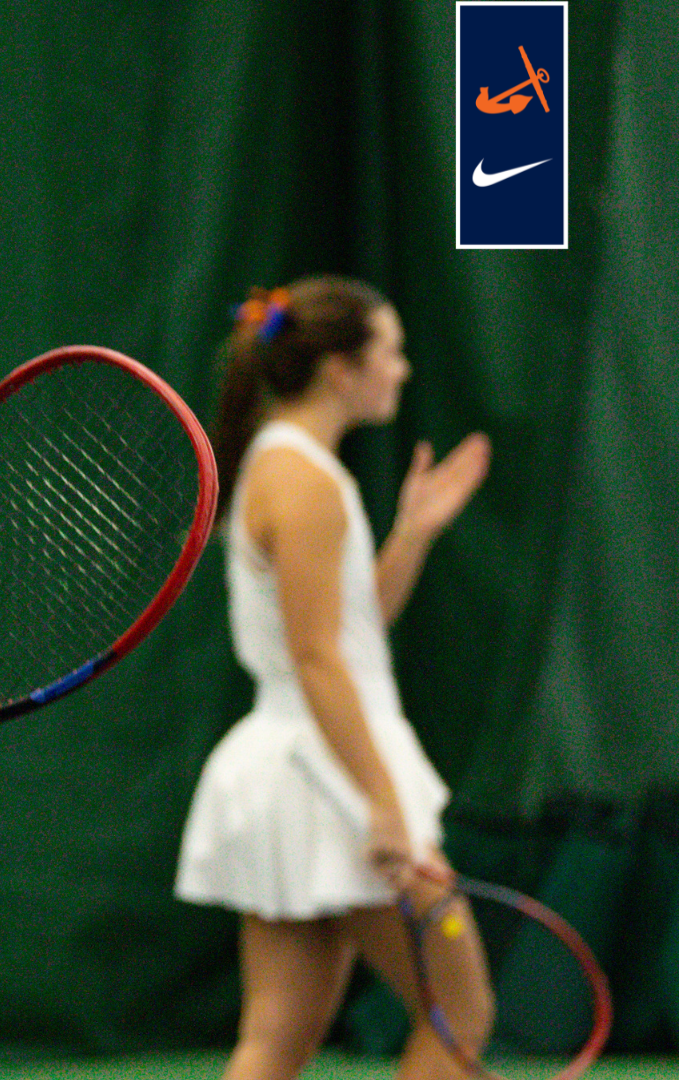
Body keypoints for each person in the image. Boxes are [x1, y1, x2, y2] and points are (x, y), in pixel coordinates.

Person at [175, 276, 496, 1080]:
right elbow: (318, 660)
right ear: (339, 370)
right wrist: (383, 805)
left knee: (277, 1039)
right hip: (332, 778)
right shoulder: (305, 480)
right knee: (461, 1013)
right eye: (390, 350)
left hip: (300, 773)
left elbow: (345, 633)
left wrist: (413, 534)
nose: (404, 369)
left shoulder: (295, 470)